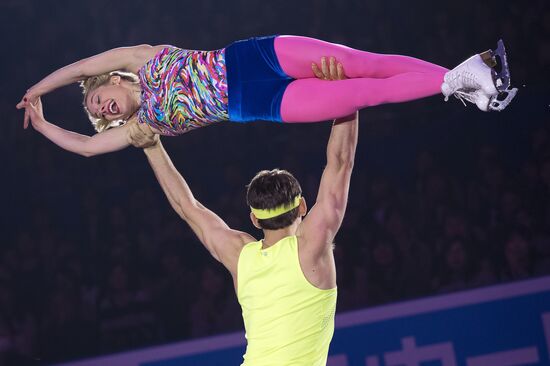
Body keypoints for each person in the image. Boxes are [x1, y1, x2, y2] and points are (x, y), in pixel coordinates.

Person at [126, 59, 357, 365]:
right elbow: (339, 162)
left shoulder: (241, 255)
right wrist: (347, 96)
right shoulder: (311, 247)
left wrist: (151, 145)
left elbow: (187, 206)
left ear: (254, 219)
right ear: (302, 206)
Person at [17, 36, 516, 158]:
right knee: (364, 95)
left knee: (367, 64)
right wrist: (41, 124)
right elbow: (84, 148)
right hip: (260, 106)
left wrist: (37, 89)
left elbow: (81, 66)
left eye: (97, 98)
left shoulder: (144, 57)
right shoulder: (139, 124)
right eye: (99, 116)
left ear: (111, 80)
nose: (101, 109)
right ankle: (467, 80)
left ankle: (468, 81)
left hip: (257, 59)